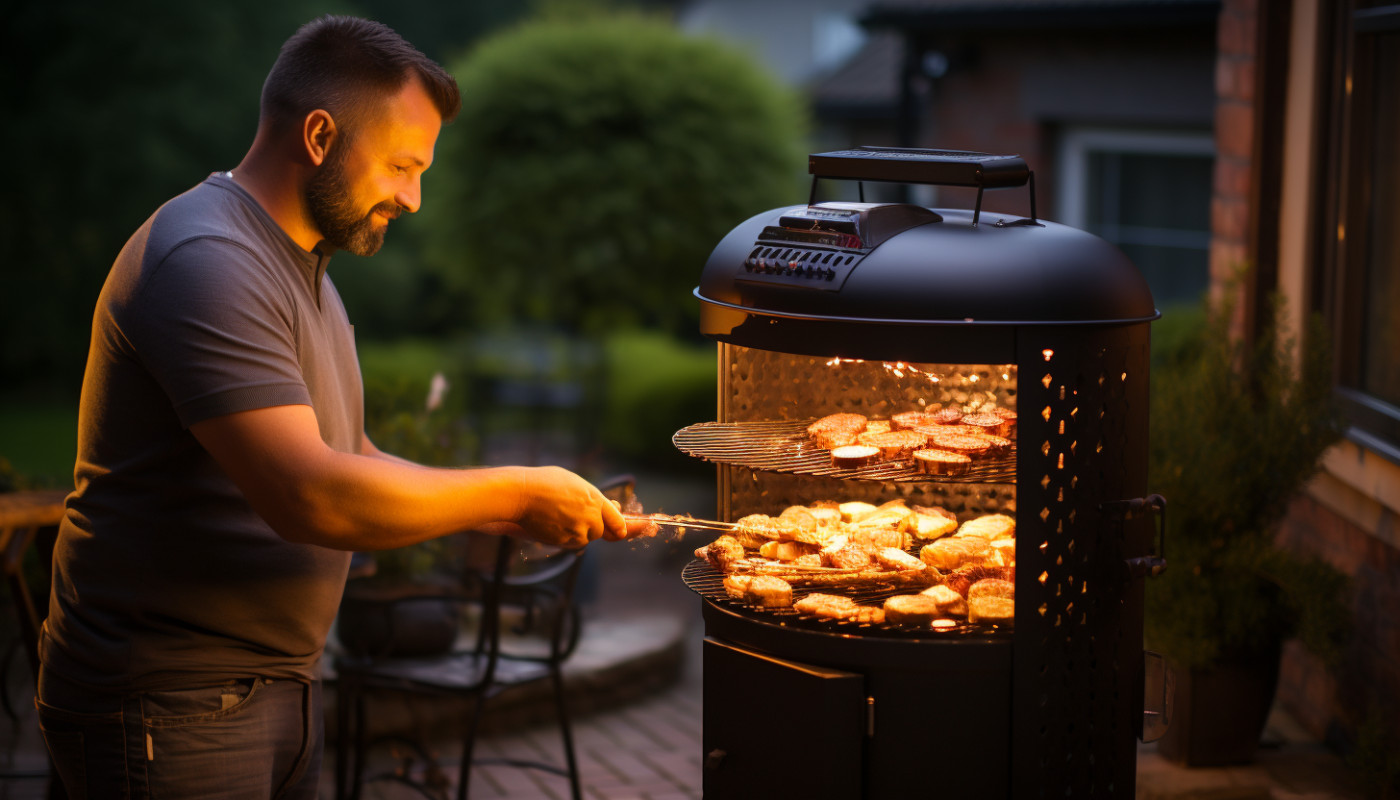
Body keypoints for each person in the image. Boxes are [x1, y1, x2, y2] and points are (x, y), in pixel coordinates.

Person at [36, 15, 648, 799]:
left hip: (273, 688)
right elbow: (309, 495)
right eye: (400, 165)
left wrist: (499, 513)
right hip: (167, 702)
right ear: (321, 136)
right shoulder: (207, 260)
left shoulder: (303, 270)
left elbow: (349, 455)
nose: (414, 198)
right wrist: (520, 488)